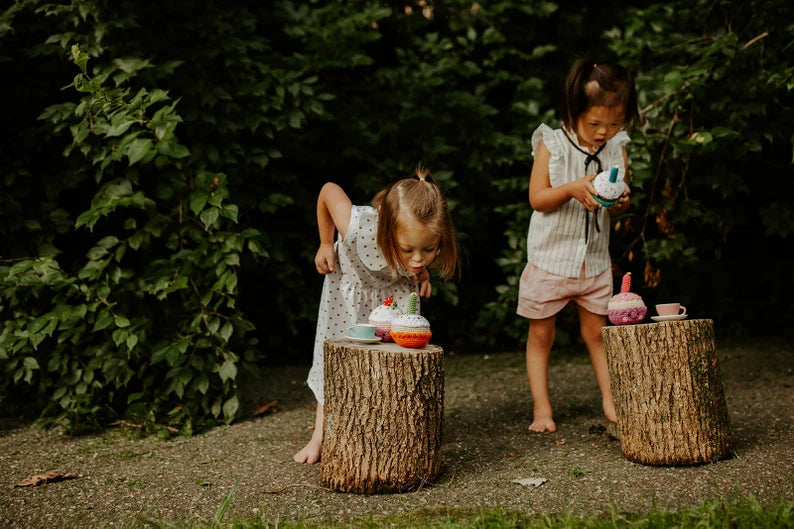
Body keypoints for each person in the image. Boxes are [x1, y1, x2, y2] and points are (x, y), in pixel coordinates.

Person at [294, 167, 459, 464]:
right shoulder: (357, 225)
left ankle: (387, 430)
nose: (419, 259)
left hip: (392, 296)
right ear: (386, 230)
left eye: (429, 249)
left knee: (393, 360)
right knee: (332, 361)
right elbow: (328, 189)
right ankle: (320, 435)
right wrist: (323, 243)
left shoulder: (417, 251)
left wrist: (421, 277)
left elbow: (418, 261)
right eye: (407, 249)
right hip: (348, 293)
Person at [518, 58, 640, 433]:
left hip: (594, 260)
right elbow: (537, 198)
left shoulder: (617, 146)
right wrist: (572, 188)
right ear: (573, 112)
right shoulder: (553, 144)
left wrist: (621, 203)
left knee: (597, 333)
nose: (605, 131)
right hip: (550, 259)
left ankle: (610, 401)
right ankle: (542, 409)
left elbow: (621, 201)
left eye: (615, 123)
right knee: (542, 335)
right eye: (595, 123)